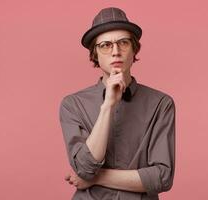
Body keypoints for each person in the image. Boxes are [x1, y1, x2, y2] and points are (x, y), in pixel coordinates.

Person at [59, 7, 175, 200]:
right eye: (105, 45)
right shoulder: (72, 105)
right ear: (95, 53)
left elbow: (161, 178)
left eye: (123, 43)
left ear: (134, 48)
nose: (115, 52)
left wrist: (97, 178)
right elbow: (85, 168)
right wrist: (108, 106)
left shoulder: (161, 104)